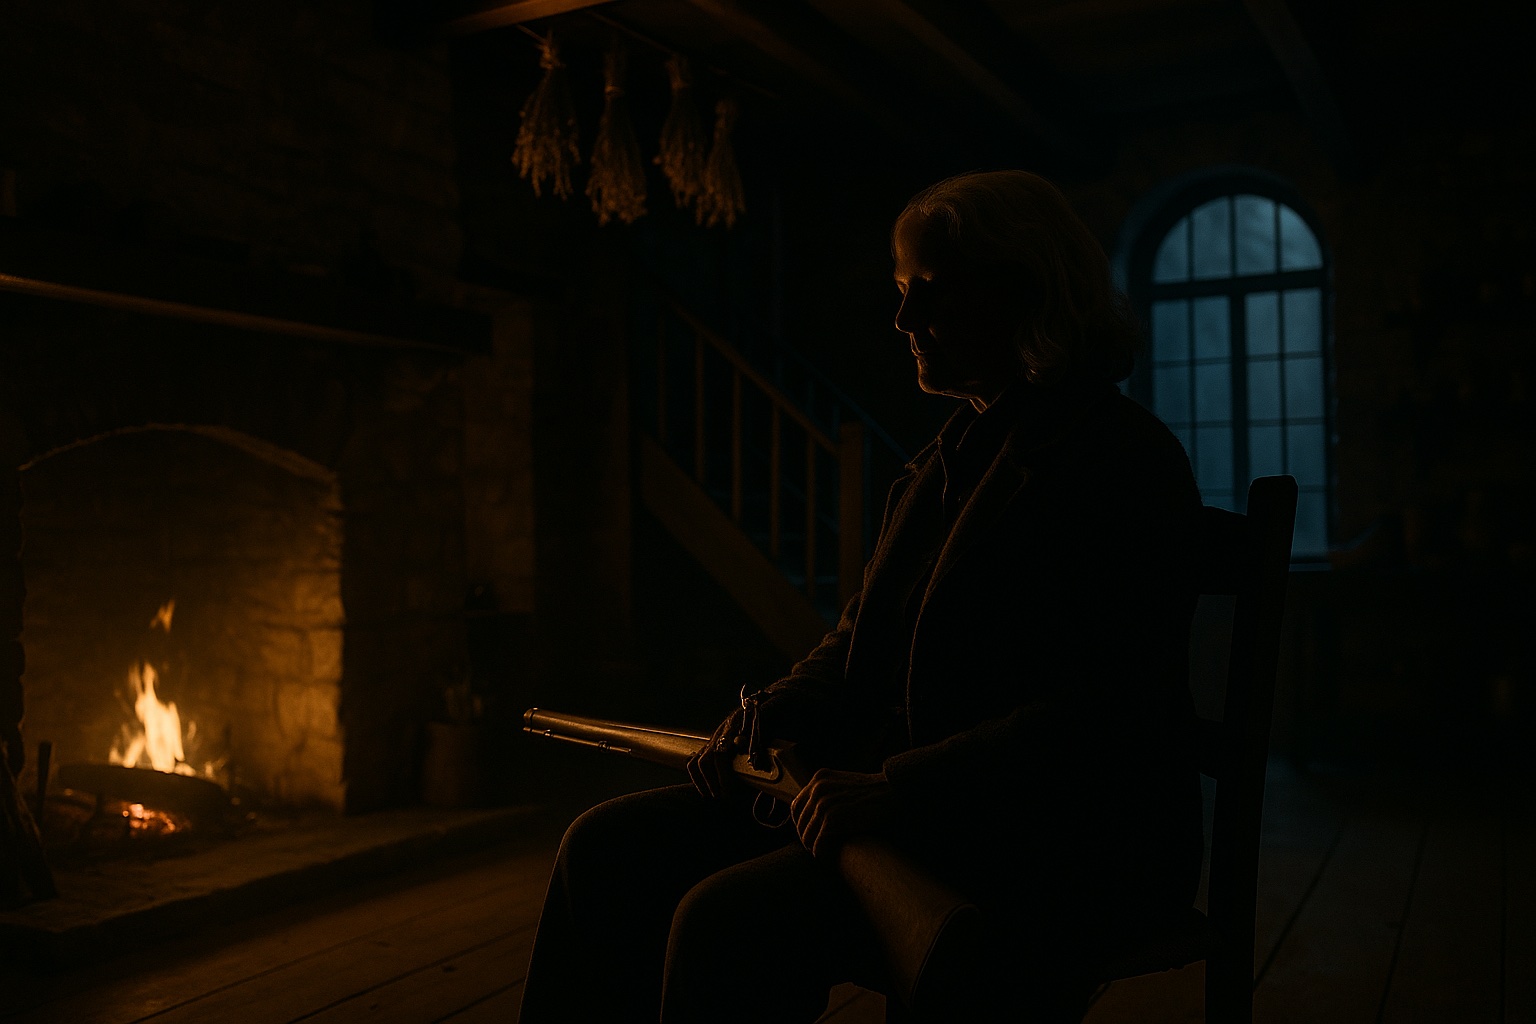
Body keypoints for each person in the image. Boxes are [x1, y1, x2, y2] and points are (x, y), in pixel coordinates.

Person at [518, 170, 1204, 1022]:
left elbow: (1111, 709)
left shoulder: (1119, 463)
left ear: (1026, 292)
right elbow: (861, 636)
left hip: (1045, 835)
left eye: (932, 291)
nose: (903, 320)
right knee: (602, 850)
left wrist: (902, 787)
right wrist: (772, 709)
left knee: (722, 921)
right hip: (906, 803)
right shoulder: (946, 460)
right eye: (900, 291)